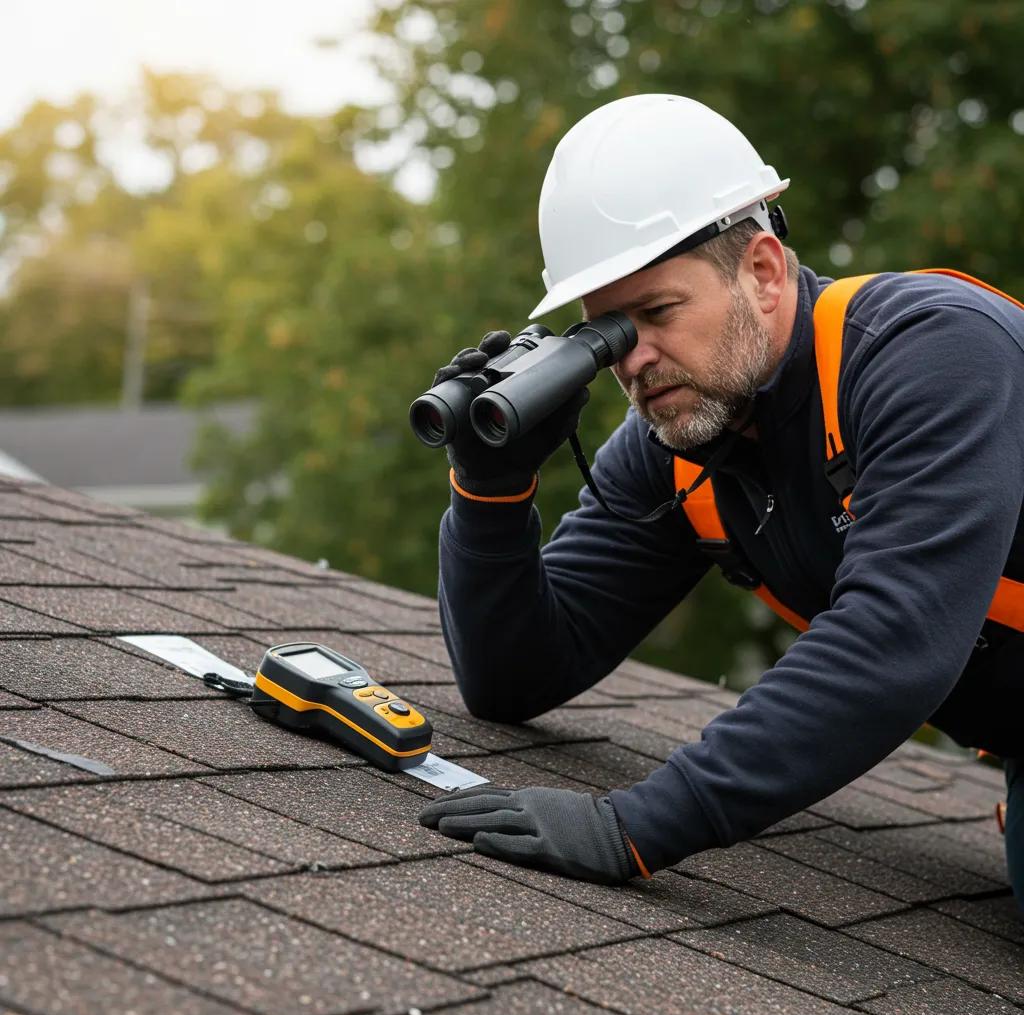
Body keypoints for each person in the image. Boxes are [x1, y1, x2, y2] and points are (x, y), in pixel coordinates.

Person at [416, 94, 1024, 909]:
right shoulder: (683, 442)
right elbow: (512, 680)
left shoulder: (931, 353)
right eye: (607, 332)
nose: (635, 360)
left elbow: (897, 637)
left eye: (657, 313)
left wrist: (637, 827)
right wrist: (490, 490)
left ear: (764, 273)